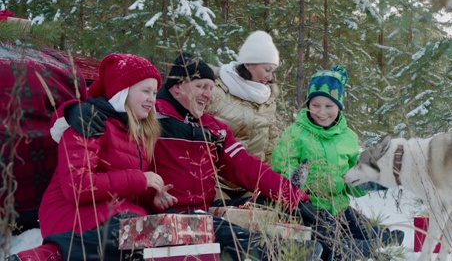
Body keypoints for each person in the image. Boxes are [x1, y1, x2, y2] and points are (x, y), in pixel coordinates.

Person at [58, 52, 319, 261]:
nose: (209, 94)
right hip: (160, 218)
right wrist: (69, 111)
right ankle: (282, 253)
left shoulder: (213, 128)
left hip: (192, 212)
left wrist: (293, 196)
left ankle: (323, 243)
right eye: (201, 86)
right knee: (219, 231)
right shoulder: (149, 118)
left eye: (211, 87)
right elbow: (103, 111)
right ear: (178, 87)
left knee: (261, 216)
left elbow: (246, 166)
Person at [9, 53, 173, 261]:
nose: (153, 99)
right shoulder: (90, 123)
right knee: (141, 234)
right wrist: (141, 179)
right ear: (123, 92)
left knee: (159, 234)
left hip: (115, 213)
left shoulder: (138, 134)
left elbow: (124, 187)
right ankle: (47, 255)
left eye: (155, 92)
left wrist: (153, 195)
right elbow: (77, 187)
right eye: (145, 91)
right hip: (71, 214)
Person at [271, 66, 404, 260]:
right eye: (315, 105)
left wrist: (367, 180)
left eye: (329, 106)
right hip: (309, 208)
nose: (322, 112)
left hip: (339, 205)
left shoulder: (347, 137)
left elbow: (353, 178)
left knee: (364, 228)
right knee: (330, 238)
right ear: (308, 104)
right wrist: (295, 179)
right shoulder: (295, 133)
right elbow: (282, 166)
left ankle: (379, 238)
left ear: (339, 106)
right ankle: (347, 249)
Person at [205, 30, 282, 201]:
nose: (270, 77)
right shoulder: (216, 91)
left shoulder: (268, 99)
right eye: (267, 69)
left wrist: (270, 180)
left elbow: (270, 146)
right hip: (216, 183)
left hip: (251, 185)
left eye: (273, 71)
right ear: (248, 64)